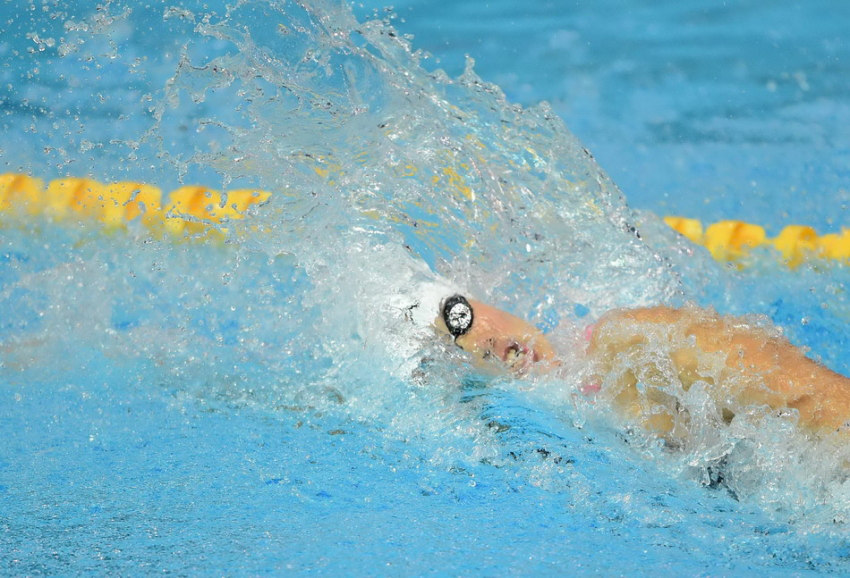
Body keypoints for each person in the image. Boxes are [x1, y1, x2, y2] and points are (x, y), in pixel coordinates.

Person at [435, 294, 850, 439]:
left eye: (460, 315)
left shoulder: (630, 341)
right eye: (461, 346)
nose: (485, 346)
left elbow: (813, 399)